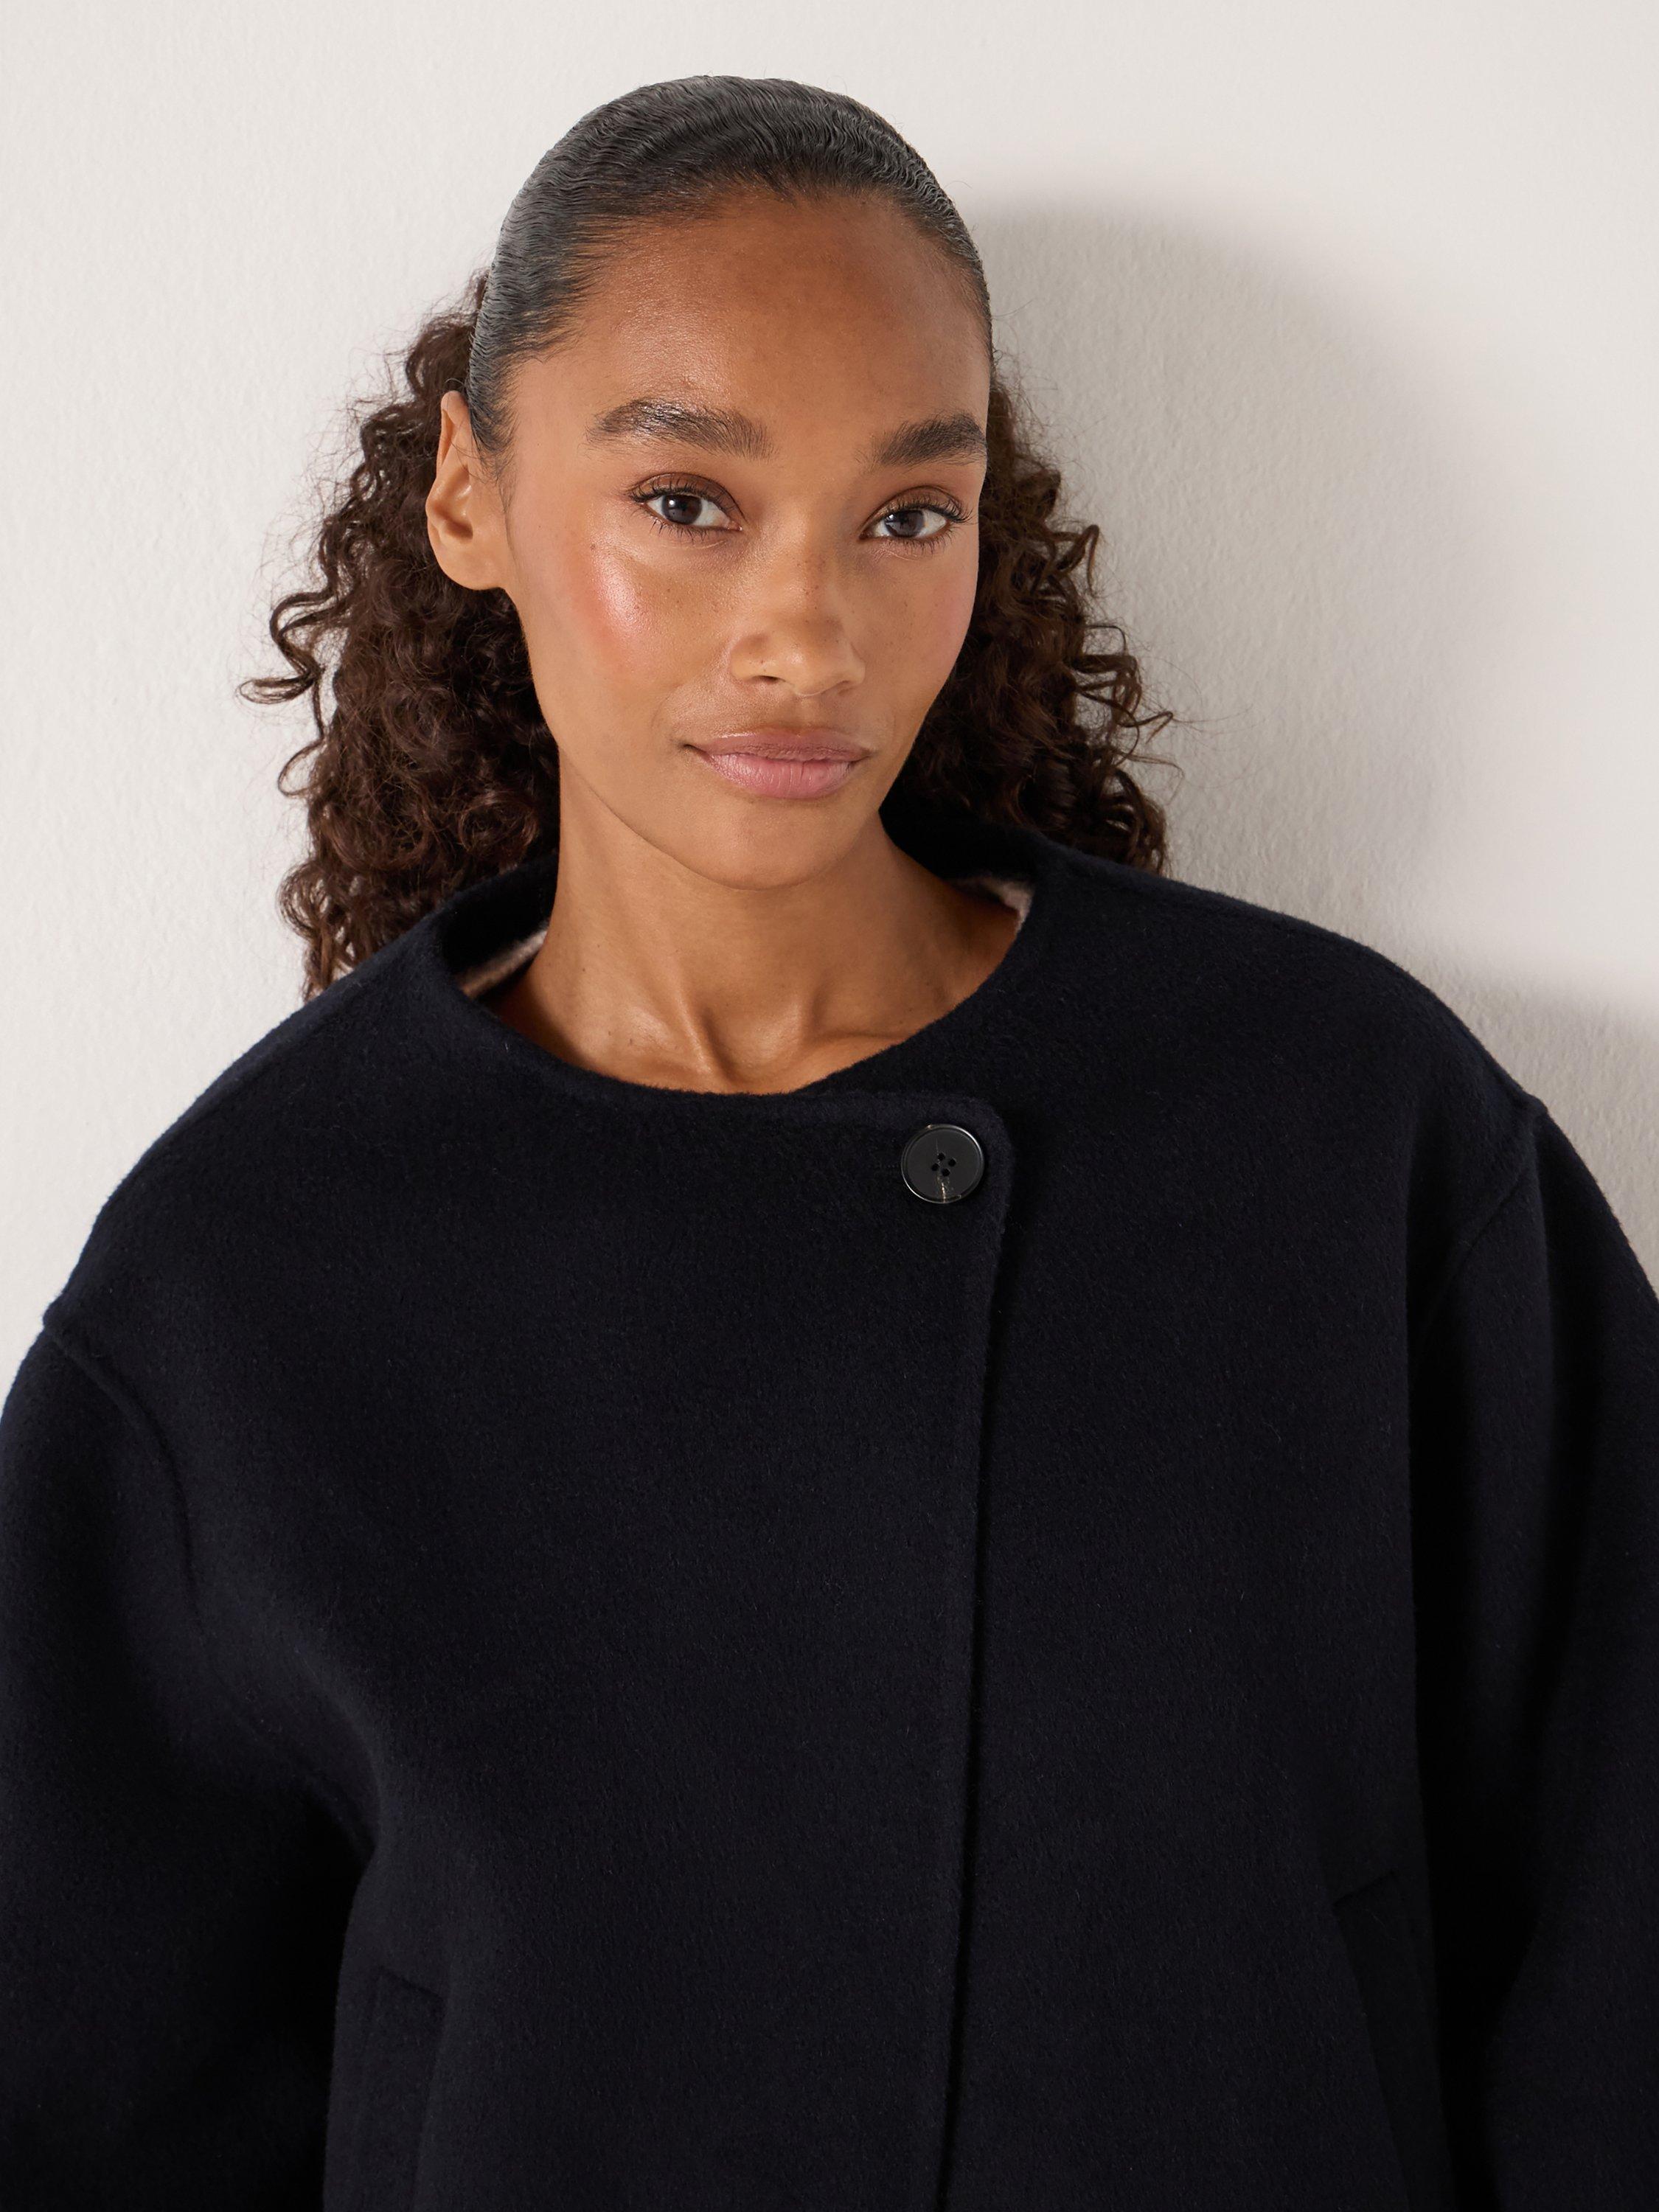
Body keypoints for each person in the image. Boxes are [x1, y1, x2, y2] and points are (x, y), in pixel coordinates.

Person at [1, 72, 1655, 2212]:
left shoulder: (1332, 1130)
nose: (807, 634)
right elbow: (88, 2091)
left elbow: (1620, 1934)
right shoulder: (254, 1271)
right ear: (470, 496)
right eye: (686, 499)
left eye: (905, 516)